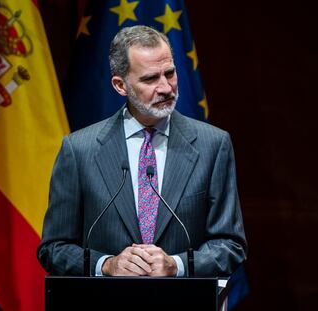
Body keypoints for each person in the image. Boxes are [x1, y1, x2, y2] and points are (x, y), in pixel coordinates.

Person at [37, 25, 247, 278]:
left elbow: (230, 245)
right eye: (150, 79)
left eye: (169, 73)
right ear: (120, 85)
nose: (166, 88)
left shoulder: (212, 144)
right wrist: (106, 265)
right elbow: (53, 249)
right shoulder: (80, 149)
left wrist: (177, 265)